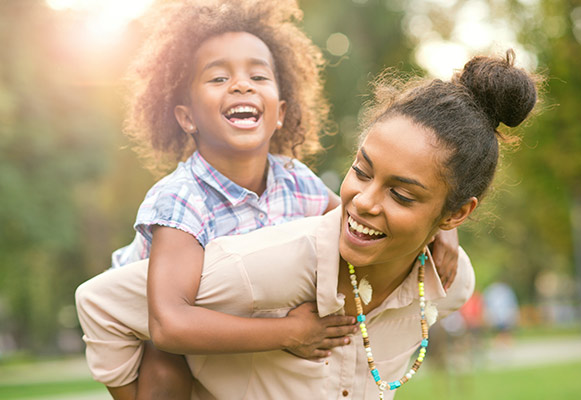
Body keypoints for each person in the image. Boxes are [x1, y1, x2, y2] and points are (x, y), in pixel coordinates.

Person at [76, 49, 538, 399]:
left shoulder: (448, 282)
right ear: (185, 117)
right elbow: (108, 304)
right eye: (361, 170)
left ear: (458, 212)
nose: (363, 203)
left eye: (401, 193)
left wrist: (439, 229)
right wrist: (285, 334)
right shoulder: (248, 254)